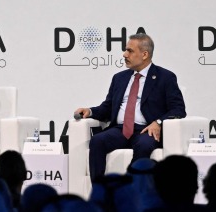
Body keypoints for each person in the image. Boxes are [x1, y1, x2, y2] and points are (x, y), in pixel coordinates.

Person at [74, 33, 186, 183]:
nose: (124, 54)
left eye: (130, 51)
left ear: (145, 54)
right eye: (125, 50)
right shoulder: (119, 78)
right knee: (97, 141)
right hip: (120, 130)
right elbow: (108, 107)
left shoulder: (165, 77)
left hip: (146, 130)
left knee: (144, 145)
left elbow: (178, 109)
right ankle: (100, 192)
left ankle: (132, 190)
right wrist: (91, 111)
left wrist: (158, 122)